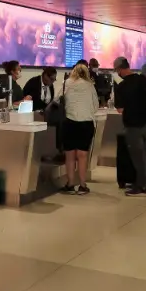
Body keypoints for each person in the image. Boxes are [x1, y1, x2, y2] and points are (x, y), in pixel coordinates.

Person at [113, 56, 146, 197]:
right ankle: (143, 181)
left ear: (119, 69)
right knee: (144, 155)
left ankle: (141, 187)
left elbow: (120, 109)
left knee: (137, 156)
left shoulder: (122, 86)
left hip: (132, 126)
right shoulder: (143, 80)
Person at [61, 63, 100, 195]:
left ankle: (70, 184)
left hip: (69, 123)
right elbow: (95, 106)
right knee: (82, 155)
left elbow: (57, 99)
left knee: (70, 155)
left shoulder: (66, 83)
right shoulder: (90, 86)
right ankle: (82, 185)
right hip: (86, 123)